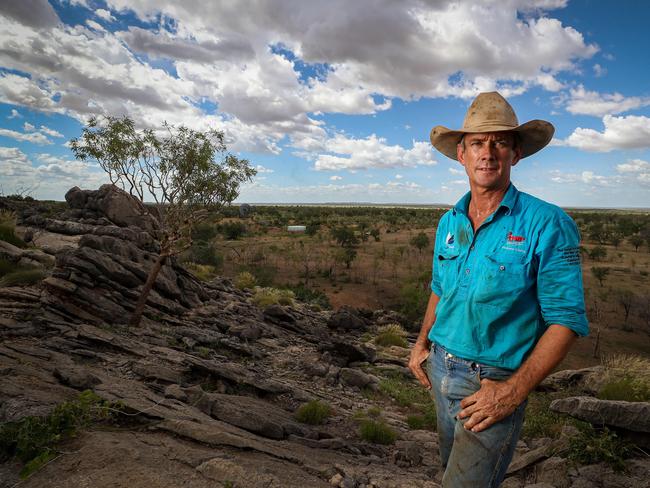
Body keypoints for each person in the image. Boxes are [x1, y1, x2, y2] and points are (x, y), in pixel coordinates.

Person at [408, 92, 588, 487]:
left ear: (515, 153)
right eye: (477, 143)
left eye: (500, 142)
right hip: (440, 366)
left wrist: (512, 391)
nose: (488, 153)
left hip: (491, 381)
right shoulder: (449, 221)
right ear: (462, 154)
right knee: (448, 470)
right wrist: (421, 343)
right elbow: (441, 288)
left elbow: (566, 320)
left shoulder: (548, 223)